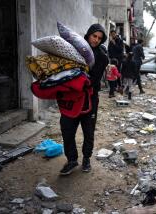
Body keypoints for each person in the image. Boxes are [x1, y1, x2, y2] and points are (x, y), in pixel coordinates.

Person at [59, 24, 108, 175]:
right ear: (88, 35)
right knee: (67, 129)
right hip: (71, 98)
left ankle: (86, 158)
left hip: (90, 98)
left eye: (100, 38)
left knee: (88, 131)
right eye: (94, 36)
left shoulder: (101, 56)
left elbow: (94, 80)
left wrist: (79, 79)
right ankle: (72, 160)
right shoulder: (75, 48)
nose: (96, 40)